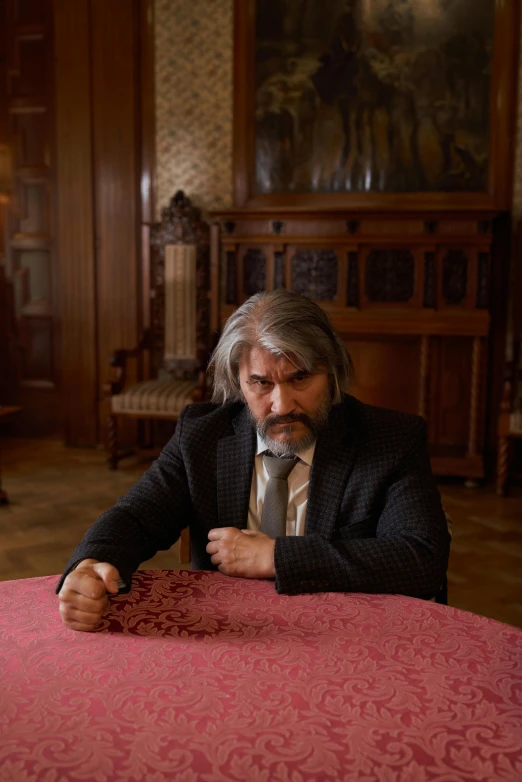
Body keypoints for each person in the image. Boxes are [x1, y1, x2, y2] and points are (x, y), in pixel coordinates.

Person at [57, 290, 450, 631]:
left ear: (331, 373)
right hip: (231, 638)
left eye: (300, 379)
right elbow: (137, 517)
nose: (282, 405)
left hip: (351, 641)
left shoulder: (391, 439)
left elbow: (422, 558)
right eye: (261, 383)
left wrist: (276, 557)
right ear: (237, 381)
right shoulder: (203, 437)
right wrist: (92, 564)